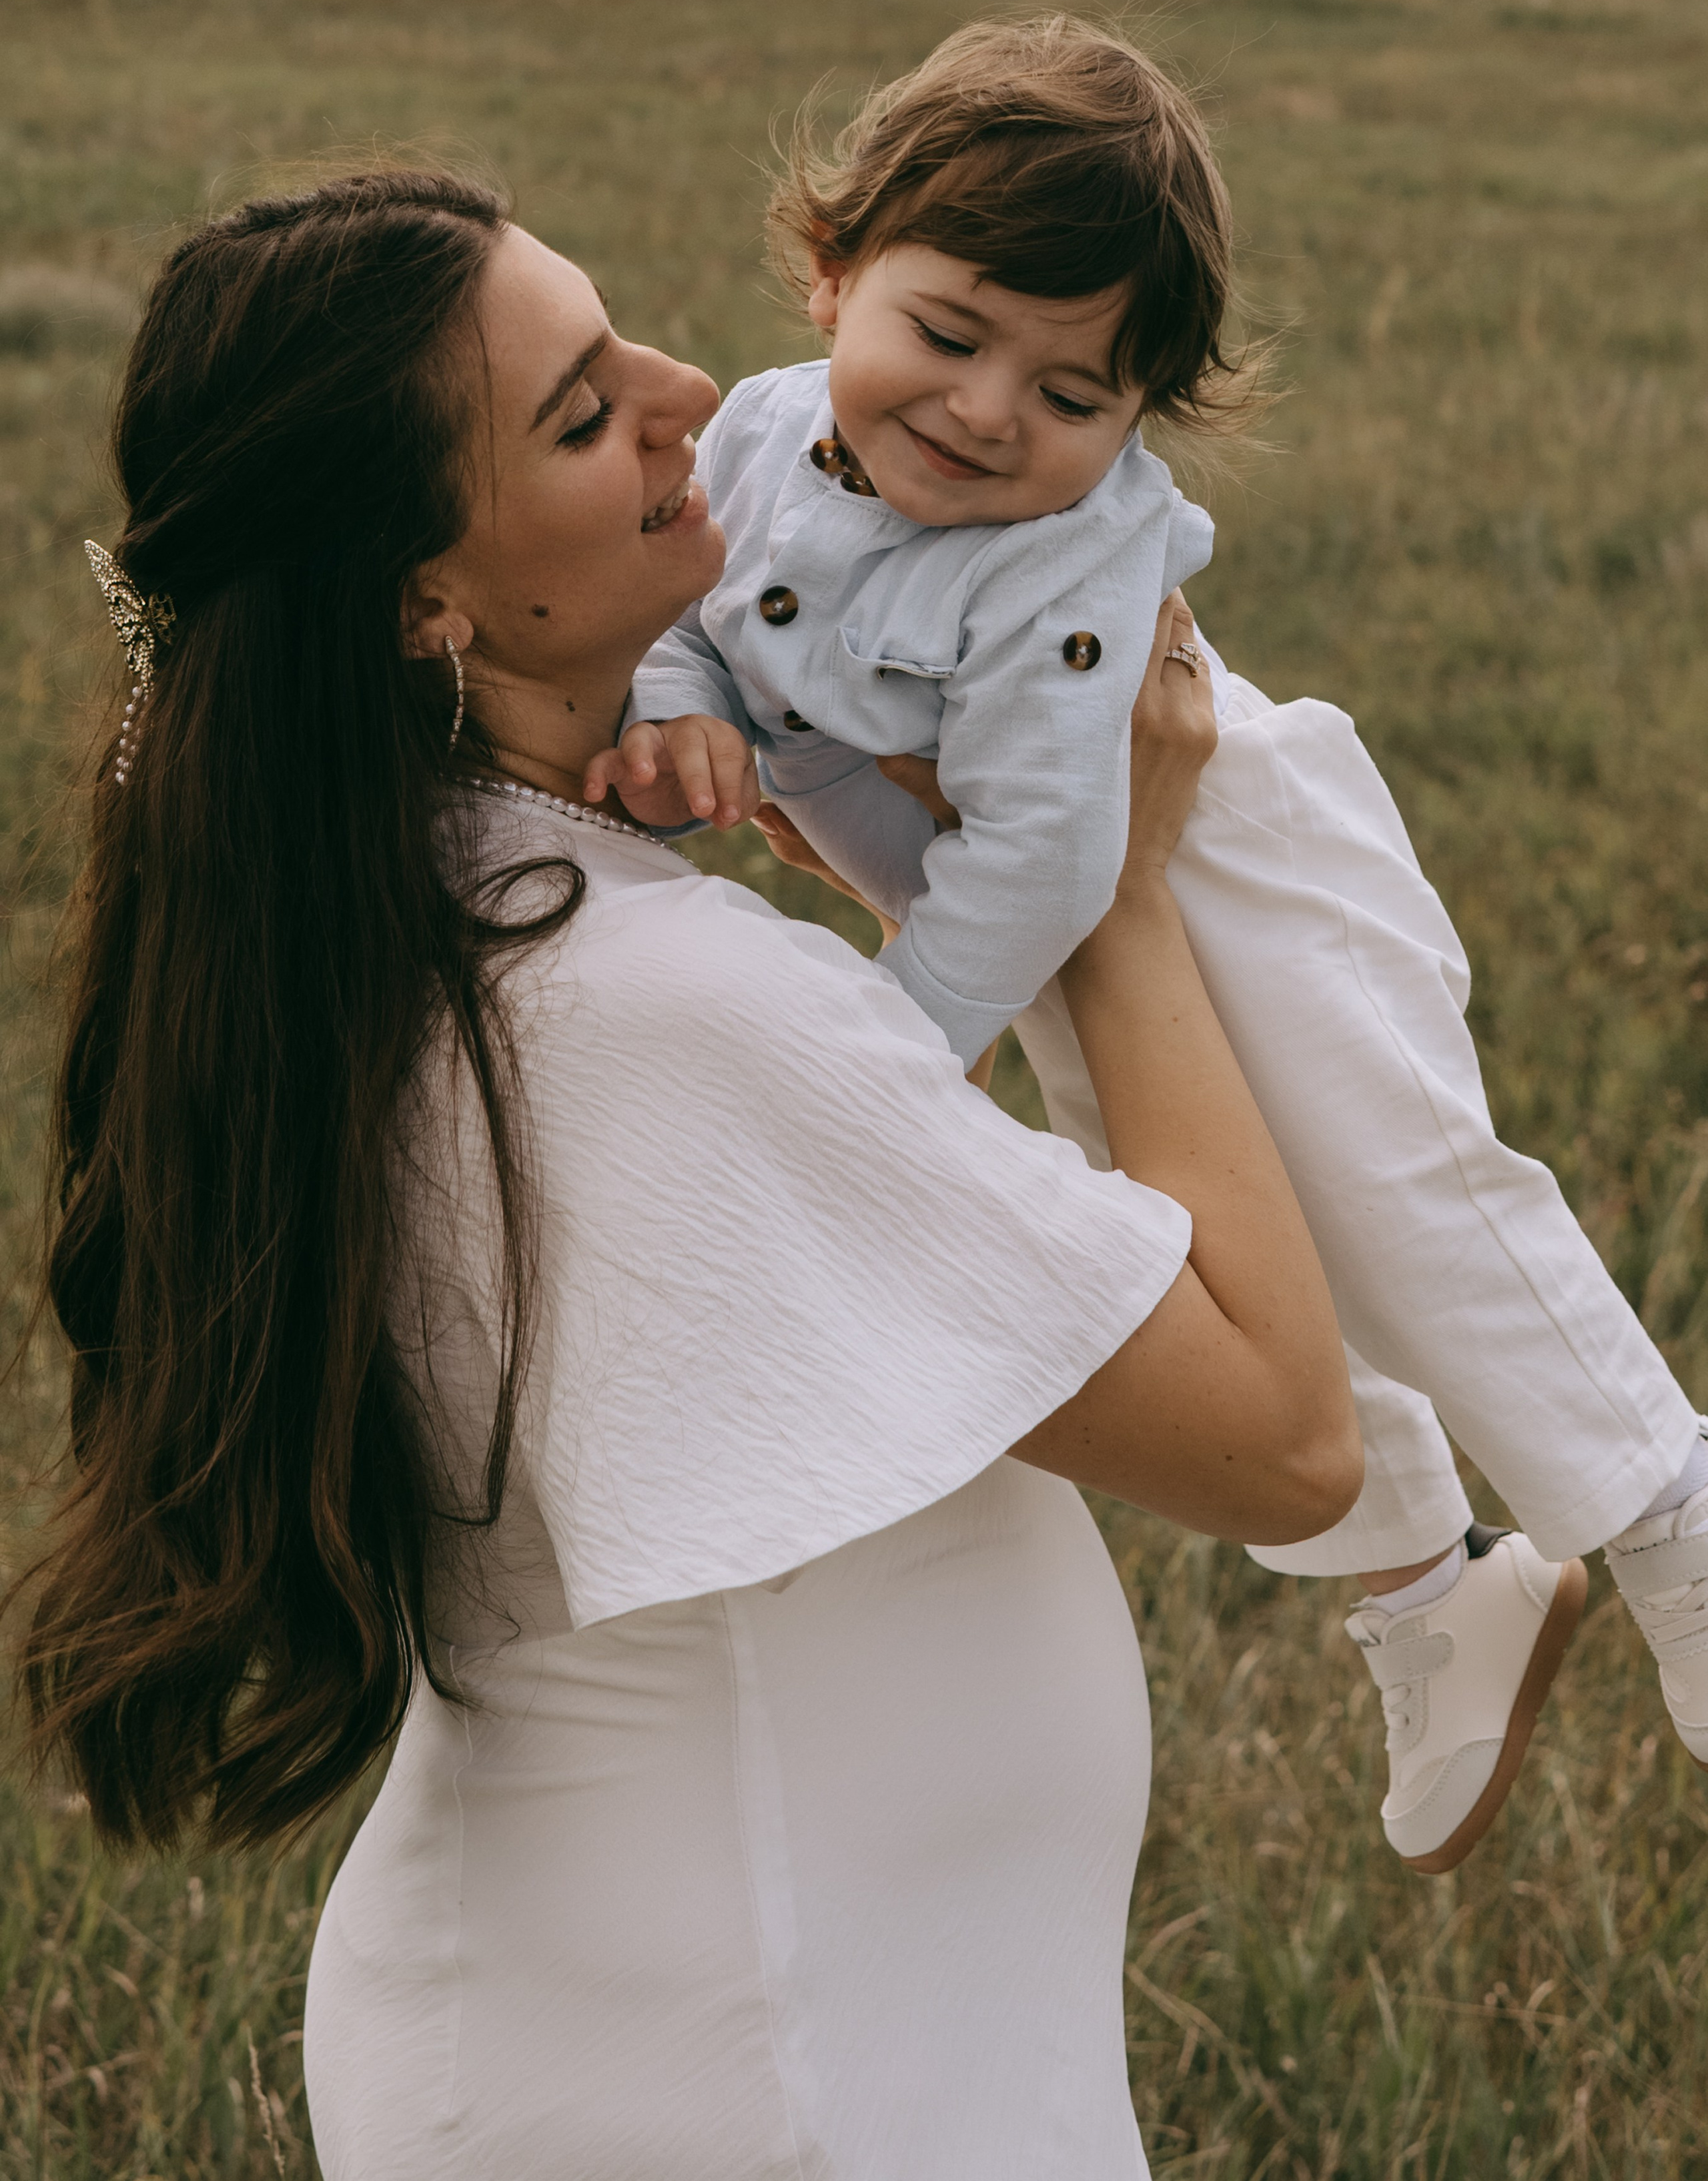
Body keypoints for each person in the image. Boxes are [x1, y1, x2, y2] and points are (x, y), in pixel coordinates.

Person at [19, 168, 1360, 2180]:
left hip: (746, 2008)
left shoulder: (395, 909)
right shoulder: (650, 1000)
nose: (684, 396)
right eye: (581, 416)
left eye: (620, 340)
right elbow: (1286, 1437)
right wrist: (1113, 892)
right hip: (756, 2050)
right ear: (426, 598)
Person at [592, 13, 1708, 1871]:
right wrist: (675, 702)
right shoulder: (760, 433)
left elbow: (1054, 847)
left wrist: (901, 1044)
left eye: (1071, 392)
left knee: (1397, 1191)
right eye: (951, 335)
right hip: (1008, 910)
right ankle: (1430, 1587)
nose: (987, 413)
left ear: (1138, 423)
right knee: (1192, 1227)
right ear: (834, 269)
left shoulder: (1065, 556)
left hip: (1217, 856)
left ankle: (1669, 1503)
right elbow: (696, 618)